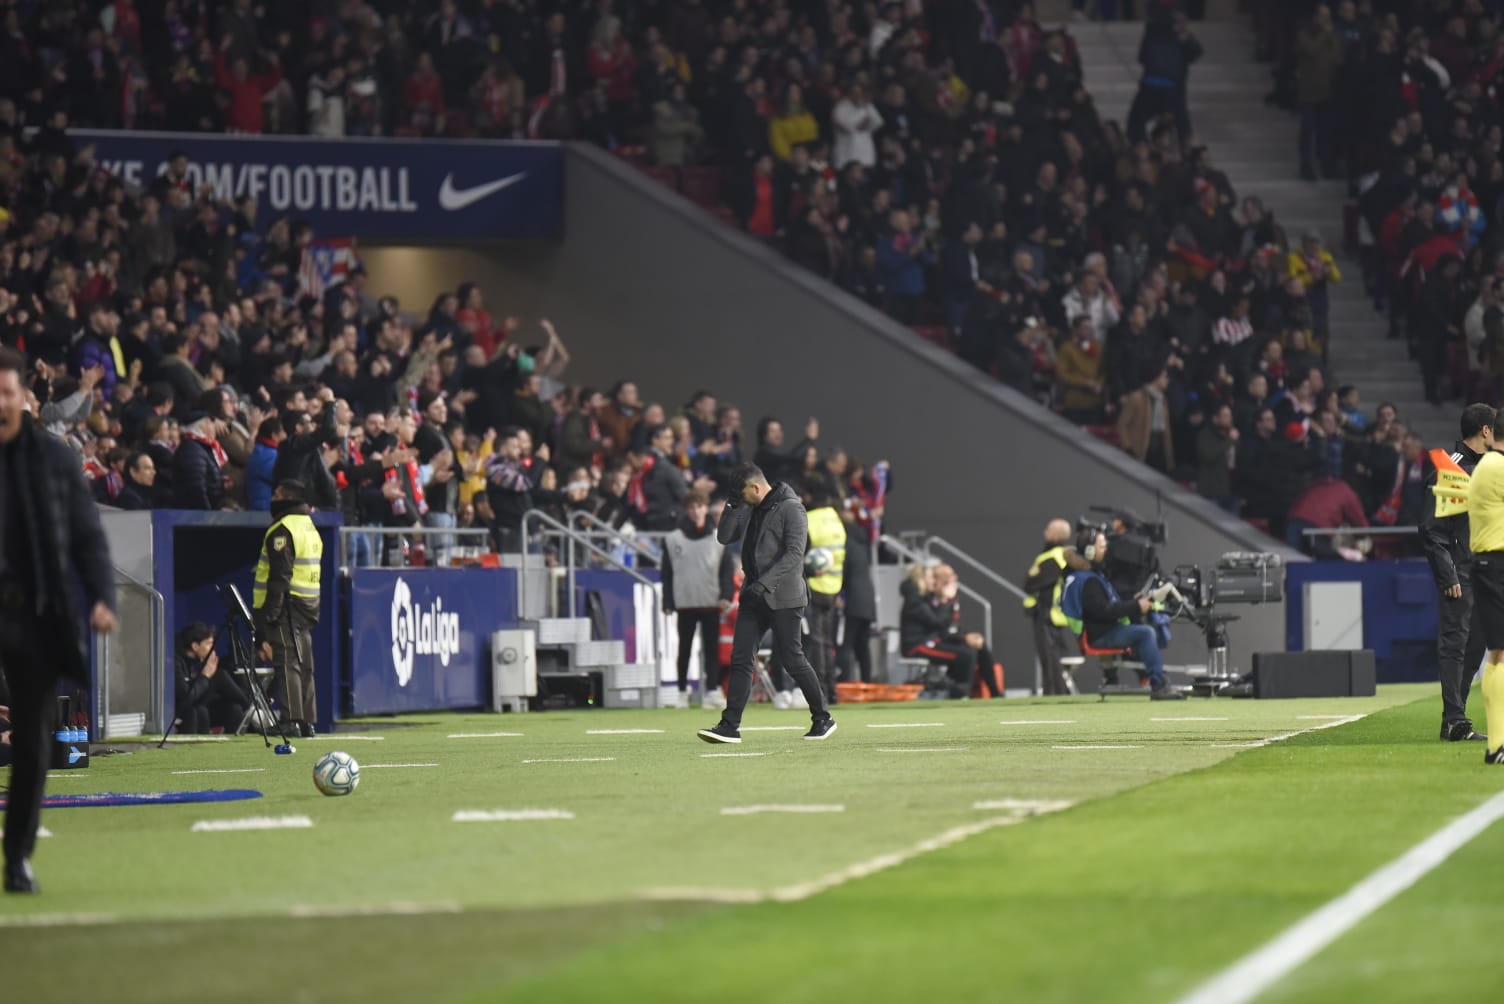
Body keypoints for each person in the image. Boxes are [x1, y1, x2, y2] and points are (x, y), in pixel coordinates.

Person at [0, 347, 117, 894]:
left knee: (31, 743)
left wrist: (101, 596)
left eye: (6, 393)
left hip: (34, 614)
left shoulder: (55, 459)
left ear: (25, 397)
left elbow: (87, 533)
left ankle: (17, 858)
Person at [698, 463, 836, 743]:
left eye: (741, 493)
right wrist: (732, 505)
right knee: (741, 658)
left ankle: (823, 718)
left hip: (784, 596)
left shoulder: (792, 508)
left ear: (756, 487)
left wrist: (763, 584)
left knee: (792, 659)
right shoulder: (749, 505)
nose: (741, 498)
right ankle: (729, 726)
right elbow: (724, 537)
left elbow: (794, 554)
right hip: (753, 595)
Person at [1420, 403, 1492, 743]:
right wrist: (1447, 574)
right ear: (1485, 431)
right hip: (1460, 572)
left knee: (1476, 645)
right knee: (1456, 643)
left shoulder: (1487, 467)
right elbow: (1431, 528)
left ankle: (1456, 718)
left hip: (1483, 571)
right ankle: (1453, 719)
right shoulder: (1451, 468)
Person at [1064, 528, 1185, 701]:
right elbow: (1105, 611)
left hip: (1099, 631)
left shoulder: (1084, 575)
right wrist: (1136, 606)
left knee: (1143, 631)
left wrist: (1134, 602)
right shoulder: (1089, 580)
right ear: (1090, 551)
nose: (1106, 550)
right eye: (1102, 547)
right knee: (1146, 633)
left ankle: (1153, 679)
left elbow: (1107, 606)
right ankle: (1159, 685)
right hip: (1101, 634)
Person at [253, 479, 323, 739]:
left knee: (287, 662)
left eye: (277, 495)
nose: (272, 499)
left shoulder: (283, 530)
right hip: (308, 603)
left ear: (287, 498)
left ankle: (291, 720)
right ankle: (307, 721)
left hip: (287, 605)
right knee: (305, 664)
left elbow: (280, 576)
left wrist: (270, 614)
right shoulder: (308, 526)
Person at [661, 490, 736, 710]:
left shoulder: (719, 538)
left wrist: (726, 595)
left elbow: (726, 571)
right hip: (685, 603)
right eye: (692, 507)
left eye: (699, 506)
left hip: (711, 601)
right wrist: (668, 602)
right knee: (684, 650)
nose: (696, 511)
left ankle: (712, 690)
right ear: (687, 510)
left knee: (712, 650)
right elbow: (667, 573)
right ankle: (682, 691)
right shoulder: (674, 539)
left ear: (705, 509)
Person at [1023, 518, 1081, 695]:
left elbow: (1031, 584)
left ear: (1056, 534)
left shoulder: (1051, 558)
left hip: (1046, 613)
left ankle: (1053, 692)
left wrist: (1030, 582)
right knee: (1054, 656)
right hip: (1058, 613)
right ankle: (1058, 691)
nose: (1045, 531)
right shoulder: (1065, 556)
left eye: (1048, 529)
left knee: (1049, 657)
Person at [803, 488, 847, 703]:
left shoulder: (809, 520)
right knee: (828, 642)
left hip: (814, 585)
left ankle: (820, 690)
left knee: (816, 640)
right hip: (834, 586)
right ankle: (832, 690)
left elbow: (800, 553)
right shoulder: (837, 521)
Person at [173, 622, 250, 734]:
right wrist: (205, 676)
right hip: (180, 708)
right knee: (220, 676)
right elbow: (185, 697)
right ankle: (251, 707)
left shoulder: (193, 662)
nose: (212, 649)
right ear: (195, 646)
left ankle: (249, 709)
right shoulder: (175, 661)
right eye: (209, 644)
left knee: (234, 709)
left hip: (197, 703)